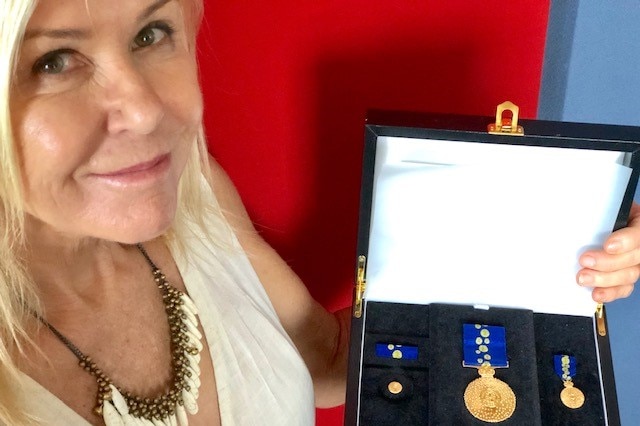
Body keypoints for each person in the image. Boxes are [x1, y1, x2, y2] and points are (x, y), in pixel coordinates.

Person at [0, 0, 637, 425]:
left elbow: (326, 359)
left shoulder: (190, 192)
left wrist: (553, 266)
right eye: (52, 61)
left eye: (151, 33)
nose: (143, 110)